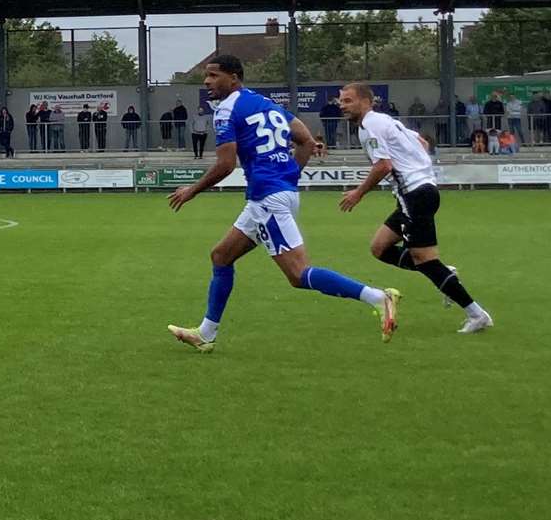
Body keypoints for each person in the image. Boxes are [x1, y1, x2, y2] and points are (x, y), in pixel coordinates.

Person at [166, 54, 399, 352]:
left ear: (234, 77)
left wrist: (192, 190)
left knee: (299, 275)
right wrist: (288, 175)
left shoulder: (226, 109)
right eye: (206, 77)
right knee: (221, 256)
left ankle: (378, 297)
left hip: (267, 198)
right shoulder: (266, 104)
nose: (207, 82)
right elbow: (306, 140)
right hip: (274, 195)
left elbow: (225, 165)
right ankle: (206, 333)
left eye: (213, 75)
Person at [335, 82, 492, 334]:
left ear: (366, 101)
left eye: (348, 101)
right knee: (379, 247)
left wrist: (358, 193)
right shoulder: (385, 121)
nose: (342, 106)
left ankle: (476, 313)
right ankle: (443, 273)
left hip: (414, 195)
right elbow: (422, 143)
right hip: (420, 192)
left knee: (425, 260)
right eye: (341, 101)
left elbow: (383, 166)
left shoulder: (370, 126)